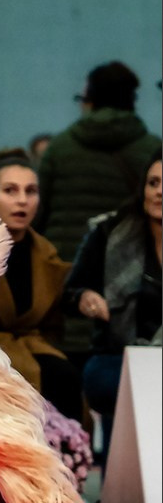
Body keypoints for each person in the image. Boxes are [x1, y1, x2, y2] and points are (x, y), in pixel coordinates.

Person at [35, 61, 160, 360]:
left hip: (69, 286)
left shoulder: (60, 148)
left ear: (91, 98)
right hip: (133, 307)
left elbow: (39, 218)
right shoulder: (152, 150)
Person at [0, 148, 85, 425]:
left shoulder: (46, 254)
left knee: (63, 375)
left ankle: (67, 459)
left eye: (31, 191)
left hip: (32, 350)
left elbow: (53, 326)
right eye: (10, 190)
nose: (22, 200)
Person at [62, 147, 162, 469]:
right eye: (153, 182)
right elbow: (70, 293)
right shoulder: (109, 232)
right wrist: (84, 298)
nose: (159, 191)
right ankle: (126, 494)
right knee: (123, 384)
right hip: (117, 355)